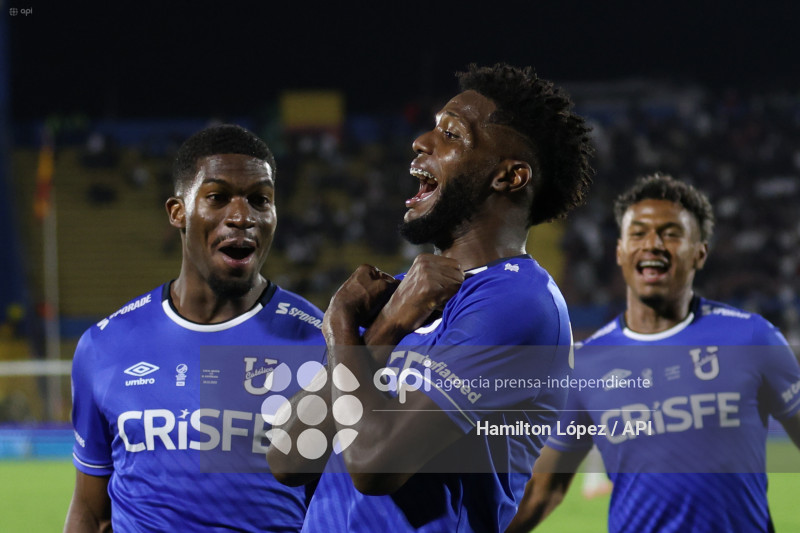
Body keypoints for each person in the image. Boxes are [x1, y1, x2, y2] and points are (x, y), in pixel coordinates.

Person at [266, 63, 594, 532]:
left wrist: (342, 323)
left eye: (452, 134)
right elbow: (288, 457)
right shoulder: (401, 296)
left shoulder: (519, 302)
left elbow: (375, 466)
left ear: (509, 177)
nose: (422, 141)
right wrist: (383, 331)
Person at [64, 124, 325, 532]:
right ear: (178, 212)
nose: (242, 217)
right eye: (218, 197)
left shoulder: (318, 342)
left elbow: (341, 507)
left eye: (260, 200)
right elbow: (91, 513)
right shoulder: (104, 346)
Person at [507, 174, 800, 532]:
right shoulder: (587, 363)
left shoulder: (753, 337)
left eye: (672, 233)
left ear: (700, 253)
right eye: (639, 232)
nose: (653, 244)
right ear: (620, 251)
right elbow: (542, 489)